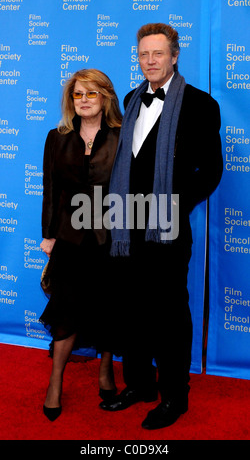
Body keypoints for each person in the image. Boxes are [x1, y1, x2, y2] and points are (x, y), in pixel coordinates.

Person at [99, 23, 223, 430]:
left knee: (169, 313)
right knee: (132, 308)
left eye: (157, 54)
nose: (149, 61)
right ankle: (139, 384)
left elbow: (212, 171)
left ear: (174, 56)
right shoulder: (132, 100)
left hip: (166, 229)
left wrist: (173, 205)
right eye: (143, 55)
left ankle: (174, 395)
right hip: (125, 227)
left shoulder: (201, 104)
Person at [40, 68, 122, 421]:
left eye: (91, 93)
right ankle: (55, 382)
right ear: (71, 100)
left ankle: (105, 372)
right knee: (65, 310)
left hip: (111, 237)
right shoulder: (56, 138)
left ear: (104, 97)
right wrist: (48, 234)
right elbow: (51, 191)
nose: (84, 100)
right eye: (78, 94)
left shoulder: (123, 137)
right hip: (71, 239)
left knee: (107, 307)